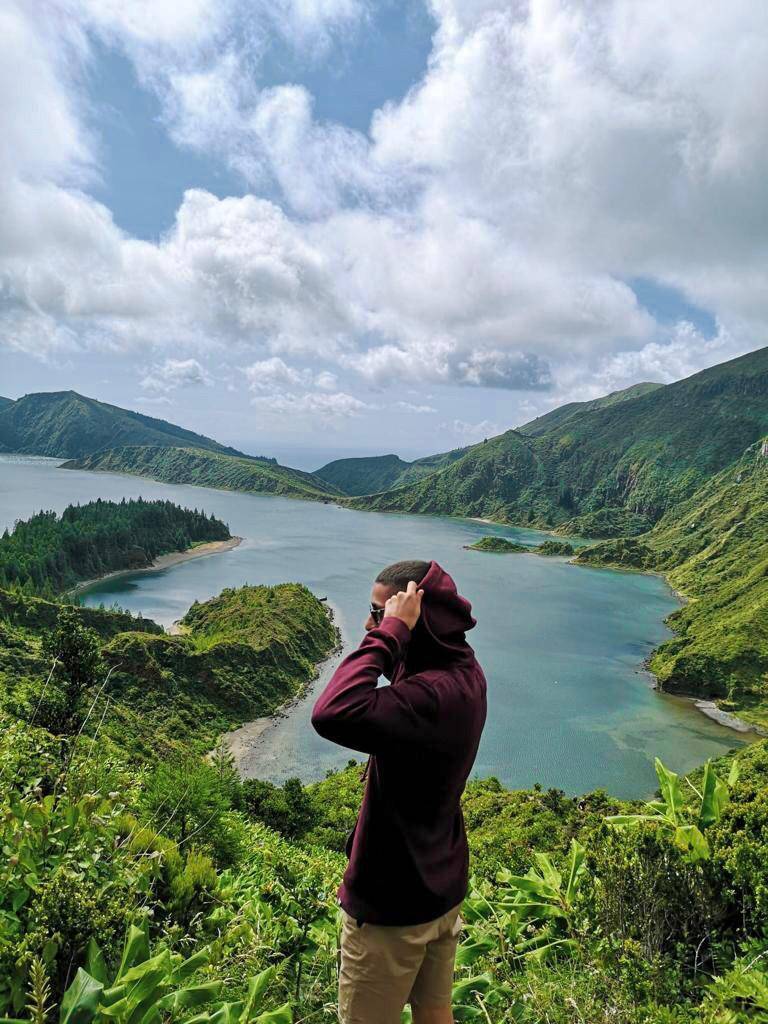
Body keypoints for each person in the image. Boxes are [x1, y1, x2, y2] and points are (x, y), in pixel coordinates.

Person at [311, 559, 487, 1024]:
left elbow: (332, 711)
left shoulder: (426, 699)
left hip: (392, 906)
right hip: (441, 891)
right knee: (434, 1013)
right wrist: (400, 630)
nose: (371, 621)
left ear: (417, 618)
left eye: (380, 610)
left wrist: (389, 633)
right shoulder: (466, 675)